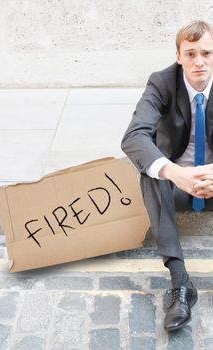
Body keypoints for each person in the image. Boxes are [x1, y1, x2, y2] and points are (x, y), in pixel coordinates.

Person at [121, 20, 213, 332]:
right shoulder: (161, 82)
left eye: (206, 53)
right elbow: (134, 138)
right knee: (150, 170)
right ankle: (180, 283)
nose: (199, 61)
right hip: (176, 186)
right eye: (190, 54)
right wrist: (176, 173)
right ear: (178, 56)